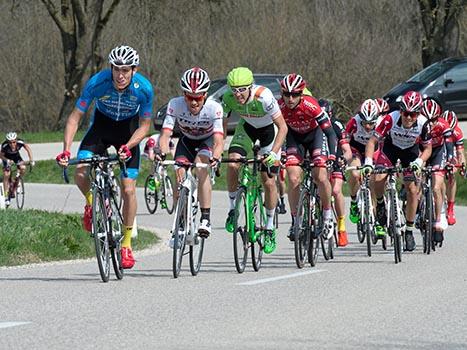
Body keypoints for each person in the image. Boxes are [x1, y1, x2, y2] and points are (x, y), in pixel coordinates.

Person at [56, 45, 154, 269]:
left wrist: (129, 146)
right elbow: (74, 118)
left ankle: (127, 245)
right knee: (81, 171)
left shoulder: (144, 89)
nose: (120, 75)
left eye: (125, 70)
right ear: (110, 68)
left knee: (128, 189)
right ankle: (92, 204)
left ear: (134, 70)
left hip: (128, 132)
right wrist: (66, 149)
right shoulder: (97, 82)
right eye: (116, 69)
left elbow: (145, 125)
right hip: (101, 128)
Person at [223, 67, 287, 254]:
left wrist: (274, 153)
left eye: (242, 89)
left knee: (268, 181)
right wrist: (219, 148)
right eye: (234, 89)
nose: (238, 94)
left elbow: (282, 127)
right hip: (246, 130)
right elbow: (223, 125)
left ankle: (268, 227)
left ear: (250, 87)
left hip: (269, 133)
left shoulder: (264, 97)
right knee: (233, 162)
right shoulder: (227, 98)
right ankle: (233, 209)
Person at [158, 67, 224, 238]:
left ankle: (205, 218)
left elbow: (218, 140)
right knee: (179, 174)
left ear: (205, 95)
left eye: (198, 98)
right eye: (189, 97)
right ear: (184, 95)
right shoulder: (175, 104)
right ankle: (180, 221)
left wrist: (216, 157)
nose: (193, 102)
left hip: (206, 142)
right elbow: (165, 134)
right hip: (186, 141)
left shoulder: (214, 108)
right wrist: (162, 153)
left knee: (202, 168)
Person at [362, 91, 432, 251]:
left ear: (418, 114)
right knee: (378, 178)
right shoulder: (390, 119)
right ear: (401, 111)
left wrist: (419, 162)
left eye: (413, 114)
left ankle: (408, 231)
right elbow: (372, 141)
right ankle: (380, 204)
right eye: (406, 113)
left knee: (412, 189)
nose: (408, 118)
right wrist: (368, 162)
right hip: (390, 149)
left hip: (410, 152)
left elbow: (428, 148)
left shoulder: (423, 123)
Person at [278, 74, 337, 242]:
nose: (290, 98)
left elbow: (330, 133)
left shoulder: (311, 105)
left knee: (320, 175)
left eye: (295, 94)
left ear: (301, 94)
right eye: (286, 94)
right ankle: (296, 220)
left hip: (315, 136)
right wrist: (279, 152)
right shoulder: (279, 106)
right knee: (293, 177)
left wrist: (331, 155)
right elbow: (276, 131)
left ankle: (326, 216)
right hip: (294, 138)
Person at [319, 99, 352, 246]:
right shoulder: (313, 124)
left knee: (336, 190)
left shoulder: (337, 125)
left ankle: (341, 226)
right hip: (320, 159)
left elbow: (347, 151)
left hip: (336, 158)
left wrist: (344, 159)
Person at [345, 99, 382, 229]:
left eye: (371, 123)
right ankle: (354, 201)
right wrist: (343, 157)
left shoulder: (382, 122)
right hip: (356, 149)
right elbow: (345, 140)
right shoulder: (354, 122)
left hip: (374, 151)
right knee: (355, 174)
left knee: (374, 182)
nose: (367, 127)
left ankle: (378, 220)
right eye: (365, 123)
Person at [421, 98, 454, 243]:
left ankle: (438, 219)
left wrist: (450, 160)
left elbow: (449, 144)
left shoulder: (442, 124)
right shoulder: (419, 124)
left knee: (436, 187)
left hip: (438, 152)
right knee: (415, 182)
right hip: (422, 151)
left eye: (434, 119)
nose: (431, 123)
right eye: (428, 120)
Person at [441, 110, 464, 225]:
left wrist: (462, 166)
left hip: (452, 151)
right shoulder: (438, 128)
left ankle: (450, 208)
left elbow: (460, 153)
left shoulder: (457, 132)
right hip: (439, 149)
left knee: (451, 174)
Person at [0, 132, 34, 205]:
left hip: (16, 157)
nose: (12, 144)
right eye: (10, 142)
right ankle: (6, 195)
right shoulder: (4, 145)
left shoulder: (20, 142)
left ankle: (17, 181)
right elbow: (1, 156)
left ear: (16, 140)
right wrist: (7, 161)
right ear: (7, 142)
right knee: (6, 174)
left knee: (23, 168)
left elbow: (28, 149)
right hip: (7, 158)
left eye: (14, 142)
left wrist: (31, 160)